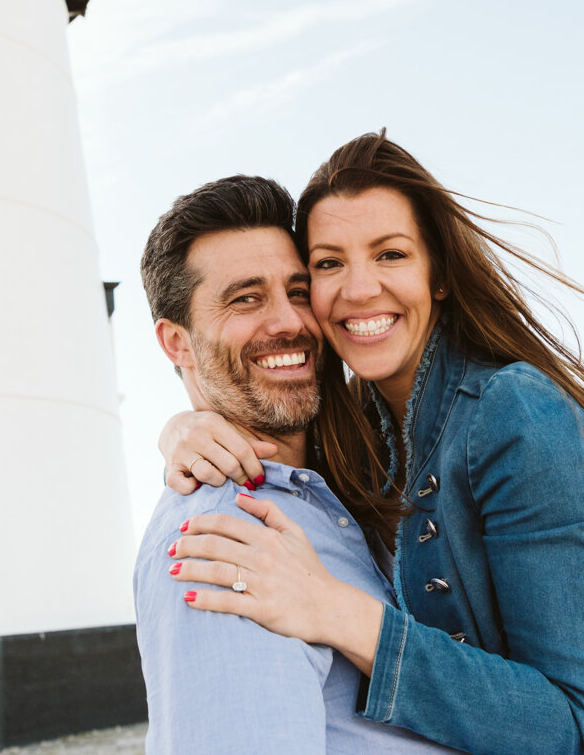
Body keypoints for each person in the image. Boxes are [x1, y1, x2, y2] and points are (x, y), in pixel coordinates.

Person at [160, 133, 584, 754]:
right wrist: (186, 426)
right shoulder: (360, 430)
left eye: (391, 254)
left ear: (439, 276)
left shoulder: (517, 412)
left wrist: (339, 613)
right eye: (329, 264)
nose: (359, 288)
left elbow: (574, 730)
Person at [134, 174, 461, 755]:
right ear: (177, 343)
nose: (290, 322)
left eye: (299, 290)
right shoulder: (224, 539)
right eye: (246, 298)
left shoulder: (348, 476)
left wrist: (179, 427)